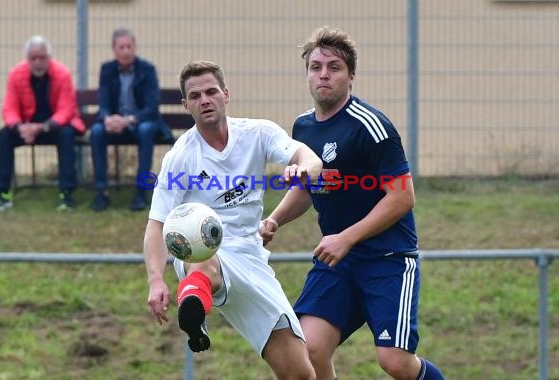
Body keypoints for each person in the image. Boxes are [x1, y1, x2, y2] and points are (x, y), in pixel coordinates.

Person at [260, 26, 446, 380]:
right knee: (309, 349)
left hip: (387, 259)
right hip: (338, 262)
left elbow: (403, 197)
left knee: (395, 361)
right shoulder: (303, 128)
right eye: (316, 67)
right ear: (307, 75)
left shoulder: (372, 126)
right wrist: (275, 220)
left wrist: (347, 237)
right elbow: (306, 188)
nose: (324, 74)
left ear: (351, 76)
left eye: (334, 67)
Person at [143, 60, 321, 379]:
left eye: (211, 92)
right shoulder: (180, 157)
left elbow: (310, 158)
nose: (205, 100)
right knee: (203, 256)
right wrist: (156, 278)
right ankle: (194, 311)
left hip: (251, 258)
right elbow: (157, 224)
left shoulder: (257, 133)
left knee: (301, 374)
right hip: (201, 253)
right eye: (195, 96)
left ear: (226, 94)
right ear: (186, 105)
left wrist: (301, 169)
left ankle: (196, 302)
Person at [0, 35, 84, 212]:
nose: (38, 62)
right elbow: (9, 108)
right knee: (5, 135)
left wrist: (42, 127)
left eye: (42, 58)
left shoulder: (62, 73)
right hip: (27, 127)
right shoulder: (15, 74)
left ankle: (67, 194)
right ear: (28, 59)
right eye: (33, 58)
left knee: (67, 134)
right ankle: (2, 193)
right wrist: (19, 127)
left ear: (49, 58)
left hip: (54, 126)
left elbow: (67, 109)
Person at [89, 27, 172, 212]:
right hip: (116, 125)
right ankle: (101, 193)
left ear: (135, 47)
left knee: (145, 130)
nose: (125, 51)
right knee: (96, 132)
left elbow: (152, 107)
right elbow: (103, 102)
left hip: (140, 123)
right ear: (114, 49)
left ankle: (141, 193)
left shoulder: (147, 70)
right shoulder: (107, 70)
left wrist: (128, 120)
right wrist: (107, 119)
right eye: (121, 47)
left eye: (129, 46)